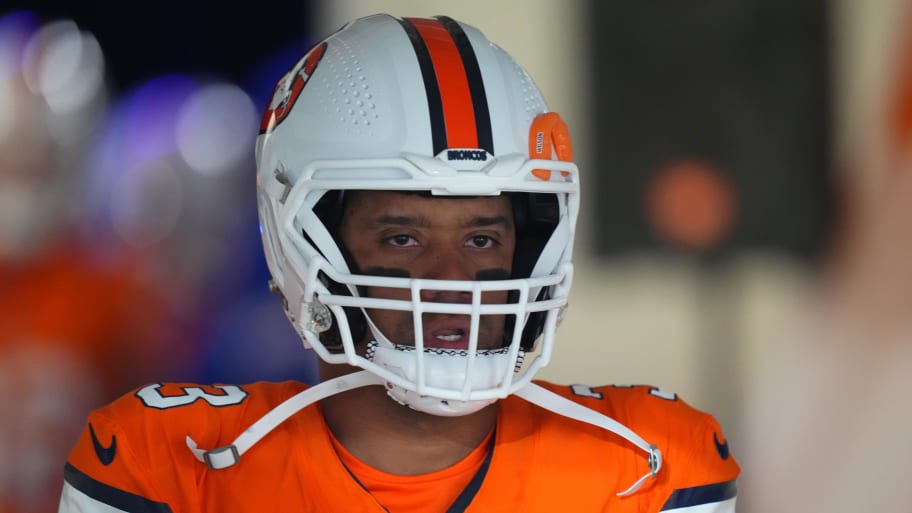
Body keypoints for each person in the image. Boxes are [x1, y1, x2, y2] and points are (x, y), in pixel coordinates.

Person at [58, 13, 739, 512]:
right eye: (402, 238)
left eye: (481, 239)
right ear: (302, 240)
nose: (449, 279)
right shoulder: (171, 465)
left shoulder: (646, 465)